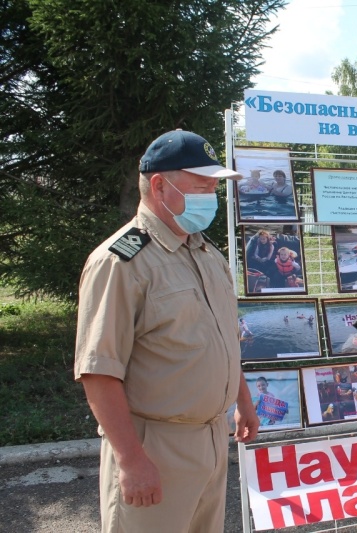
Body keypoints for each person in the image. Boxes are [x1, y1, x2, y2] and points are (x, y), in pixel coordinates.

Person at [73, 129, 260, 532]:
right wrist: (132, 460)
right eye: (201, 186)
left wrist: (242, 401)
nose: (210, 196)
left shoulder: (207, 254)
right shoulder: (121, 262)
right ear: (160, 185)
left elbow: (225, 338)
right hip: (154, 446)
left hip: (211, 439)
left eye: (213, 187)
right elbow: (98, 370)